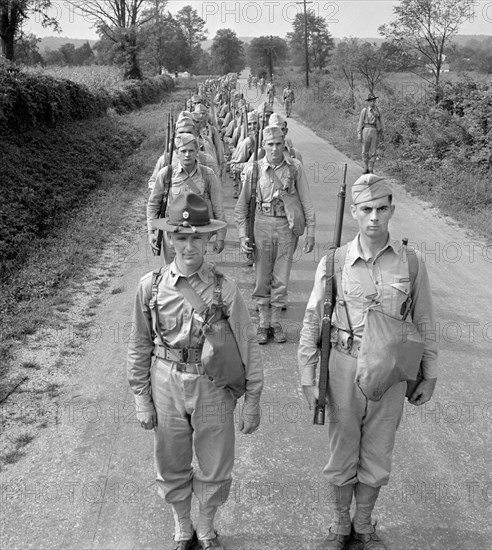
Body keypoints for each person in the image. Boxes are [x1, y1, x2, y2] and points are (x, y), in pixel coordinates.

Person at [298, 174, 438, 549]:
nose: (374, 218)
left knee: (377, 453)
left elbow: (424, 320)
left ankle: (363, 526)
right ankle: (340, 526)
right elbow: (313, 320)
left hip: (390, 373)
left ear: (391, 210)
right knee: (342, 452)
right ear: (355, 214)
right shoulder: (335, 261)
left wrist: (430, 373)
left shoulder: (411, 261)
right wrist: (308, 378)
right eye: (366, 210)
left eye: (381, 209)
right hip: (343, 366)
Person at [128, 191, 263, 550]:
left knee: (215, 464)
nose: (189, 247)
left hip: (212, 385)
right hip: (166, 381)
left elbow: (248, 346)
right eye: (181, 238)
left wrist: (253, 399)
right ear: (170, 239)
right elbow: (140, 343)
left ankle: (206, 526)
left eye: (196, 238)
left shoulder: (225, 290)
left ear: (208, 239)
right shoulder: (150, 287)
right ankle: (182, 526)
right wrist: (141, 397)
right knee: (171, 461)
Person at [234, 125, 316, 344]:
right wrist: (243, 236)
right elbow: (242, 207)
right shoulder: (254, 170)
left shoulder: (295, 168)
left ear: (284, 144)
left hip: (286, 228)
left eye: (279, 144)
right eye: (270, 144)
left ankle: (276, 322)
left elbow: (306, 200)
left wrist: (311, 232)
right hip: (261, 224)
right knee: (262, 275)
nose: (274, 149)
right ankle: (262, 322)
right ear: (263, 146)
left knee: (281, 276)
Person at [148, 133, 227, 263]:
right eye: (183, 151)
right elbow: (153, 204)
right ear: (177, 153)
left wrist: (220, 236)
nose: (187, 154)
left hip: (198, 234)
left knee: (194, 272)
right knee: (171, 273)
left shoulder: (208, 174)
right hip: (173, 233)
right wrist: (151, 231)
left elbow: (218, 206)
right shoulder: (166, 174)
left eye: (191, 150)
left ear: (197, 151)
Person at [357, 93, 383, 175]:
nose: (372, 102)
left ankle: (371, 168)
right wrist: (359, 134)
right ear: (368, 102)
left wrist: (382, 131)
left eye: (374, 101)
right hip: (366, 129)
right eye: (371, 101)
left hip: (374, 130)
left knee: (373, 150)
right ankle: (365, 168)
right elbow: (360, 123)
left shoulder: (378, 110)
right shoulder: (364, 111)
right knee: (365, 149)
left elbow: (382, 122)